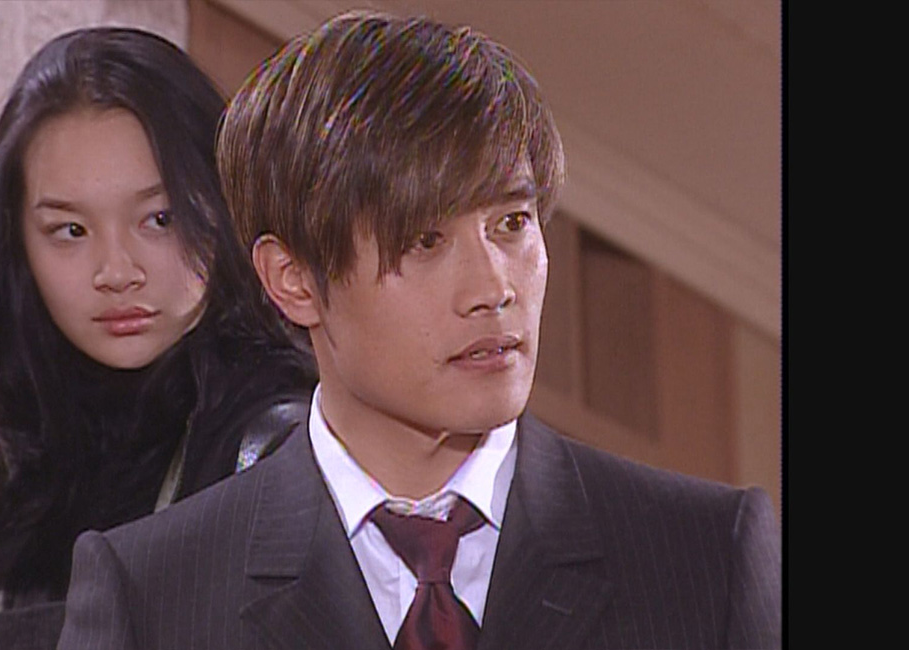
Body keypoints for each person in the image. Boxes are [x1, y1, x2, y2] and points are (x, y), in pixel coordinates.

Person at [57, 12, 781, 650]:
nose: (495, 288)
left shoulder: (703, 555)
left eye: (511, 223)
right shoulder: (154, 594)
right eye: (425, 241)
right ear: (294, 280)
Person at [0, 26, 317, 650]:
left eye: (159, 219)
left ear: (225, 207)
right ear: (15, 246)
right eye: (71, 231)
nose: (116, 271)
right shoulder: (38, 458)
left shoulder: (282, 452)